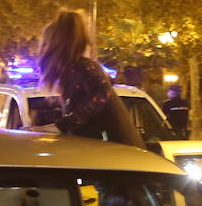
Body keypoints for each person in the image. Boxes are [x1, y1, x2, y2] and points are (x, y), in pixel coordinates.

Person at [35, 10, 144, 148]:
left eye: (45, 45)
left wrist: (61, 126)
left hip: (119, 157)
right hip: (112, 155)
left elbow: (102, 92)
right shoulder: (74, 72)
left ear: (56, 46)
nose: (42, 51)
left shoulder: (84, 67)